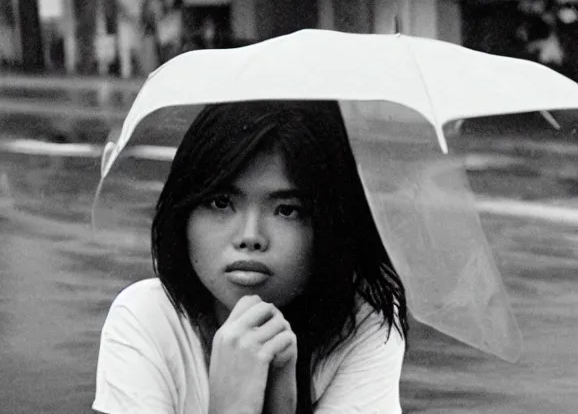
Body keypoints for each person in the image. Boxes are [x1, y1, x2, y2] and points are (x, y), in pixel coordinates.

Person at [92, 100, 409, 413]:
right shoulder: (147, 320)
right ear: (184, 211)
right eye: (220, 202)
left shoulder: (362, 322)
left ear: (329, 225)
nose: (250, 237)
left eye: (287, 210)